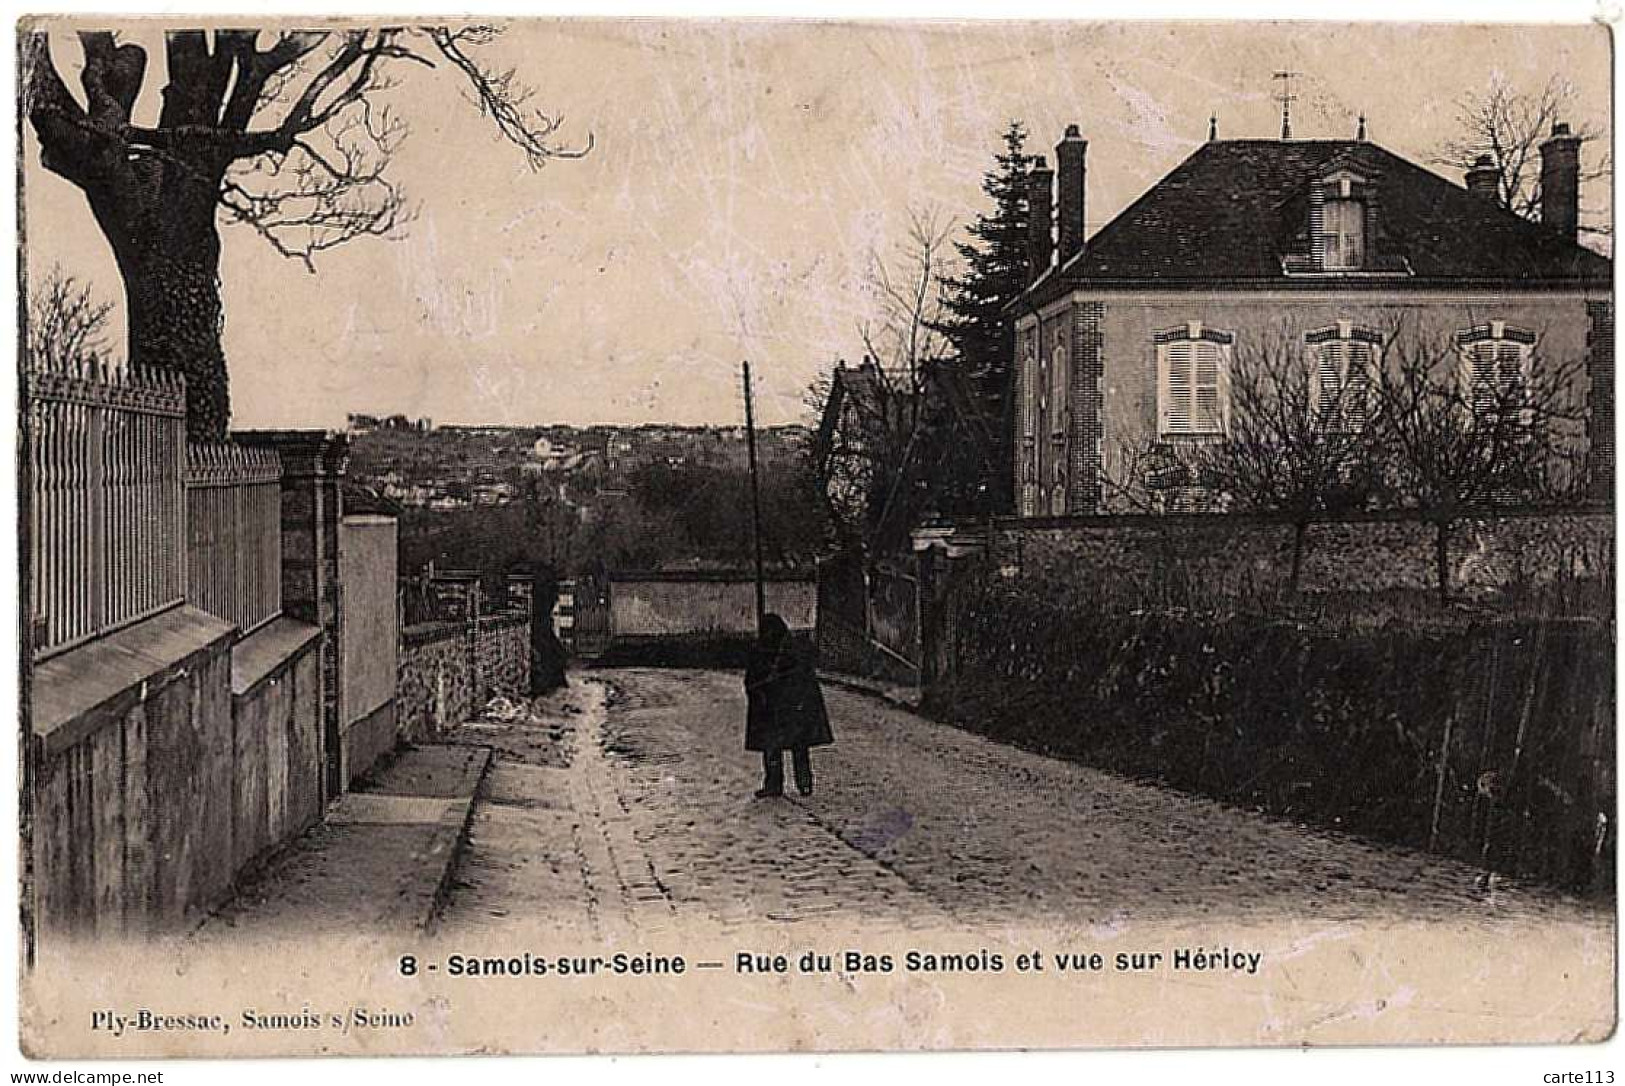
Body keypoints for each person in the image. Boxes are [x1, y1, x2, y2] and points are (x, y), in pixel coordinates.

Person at [744, 613, 834, 798]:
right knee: (780, 747)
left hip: (786, 707)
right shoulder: (764, 651)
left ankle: (799, 783)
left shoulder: (790, 651)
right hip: (774, 707)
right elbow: (751, 679)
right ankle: (784, 784)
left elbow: (802, 679)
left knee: (792, 745)